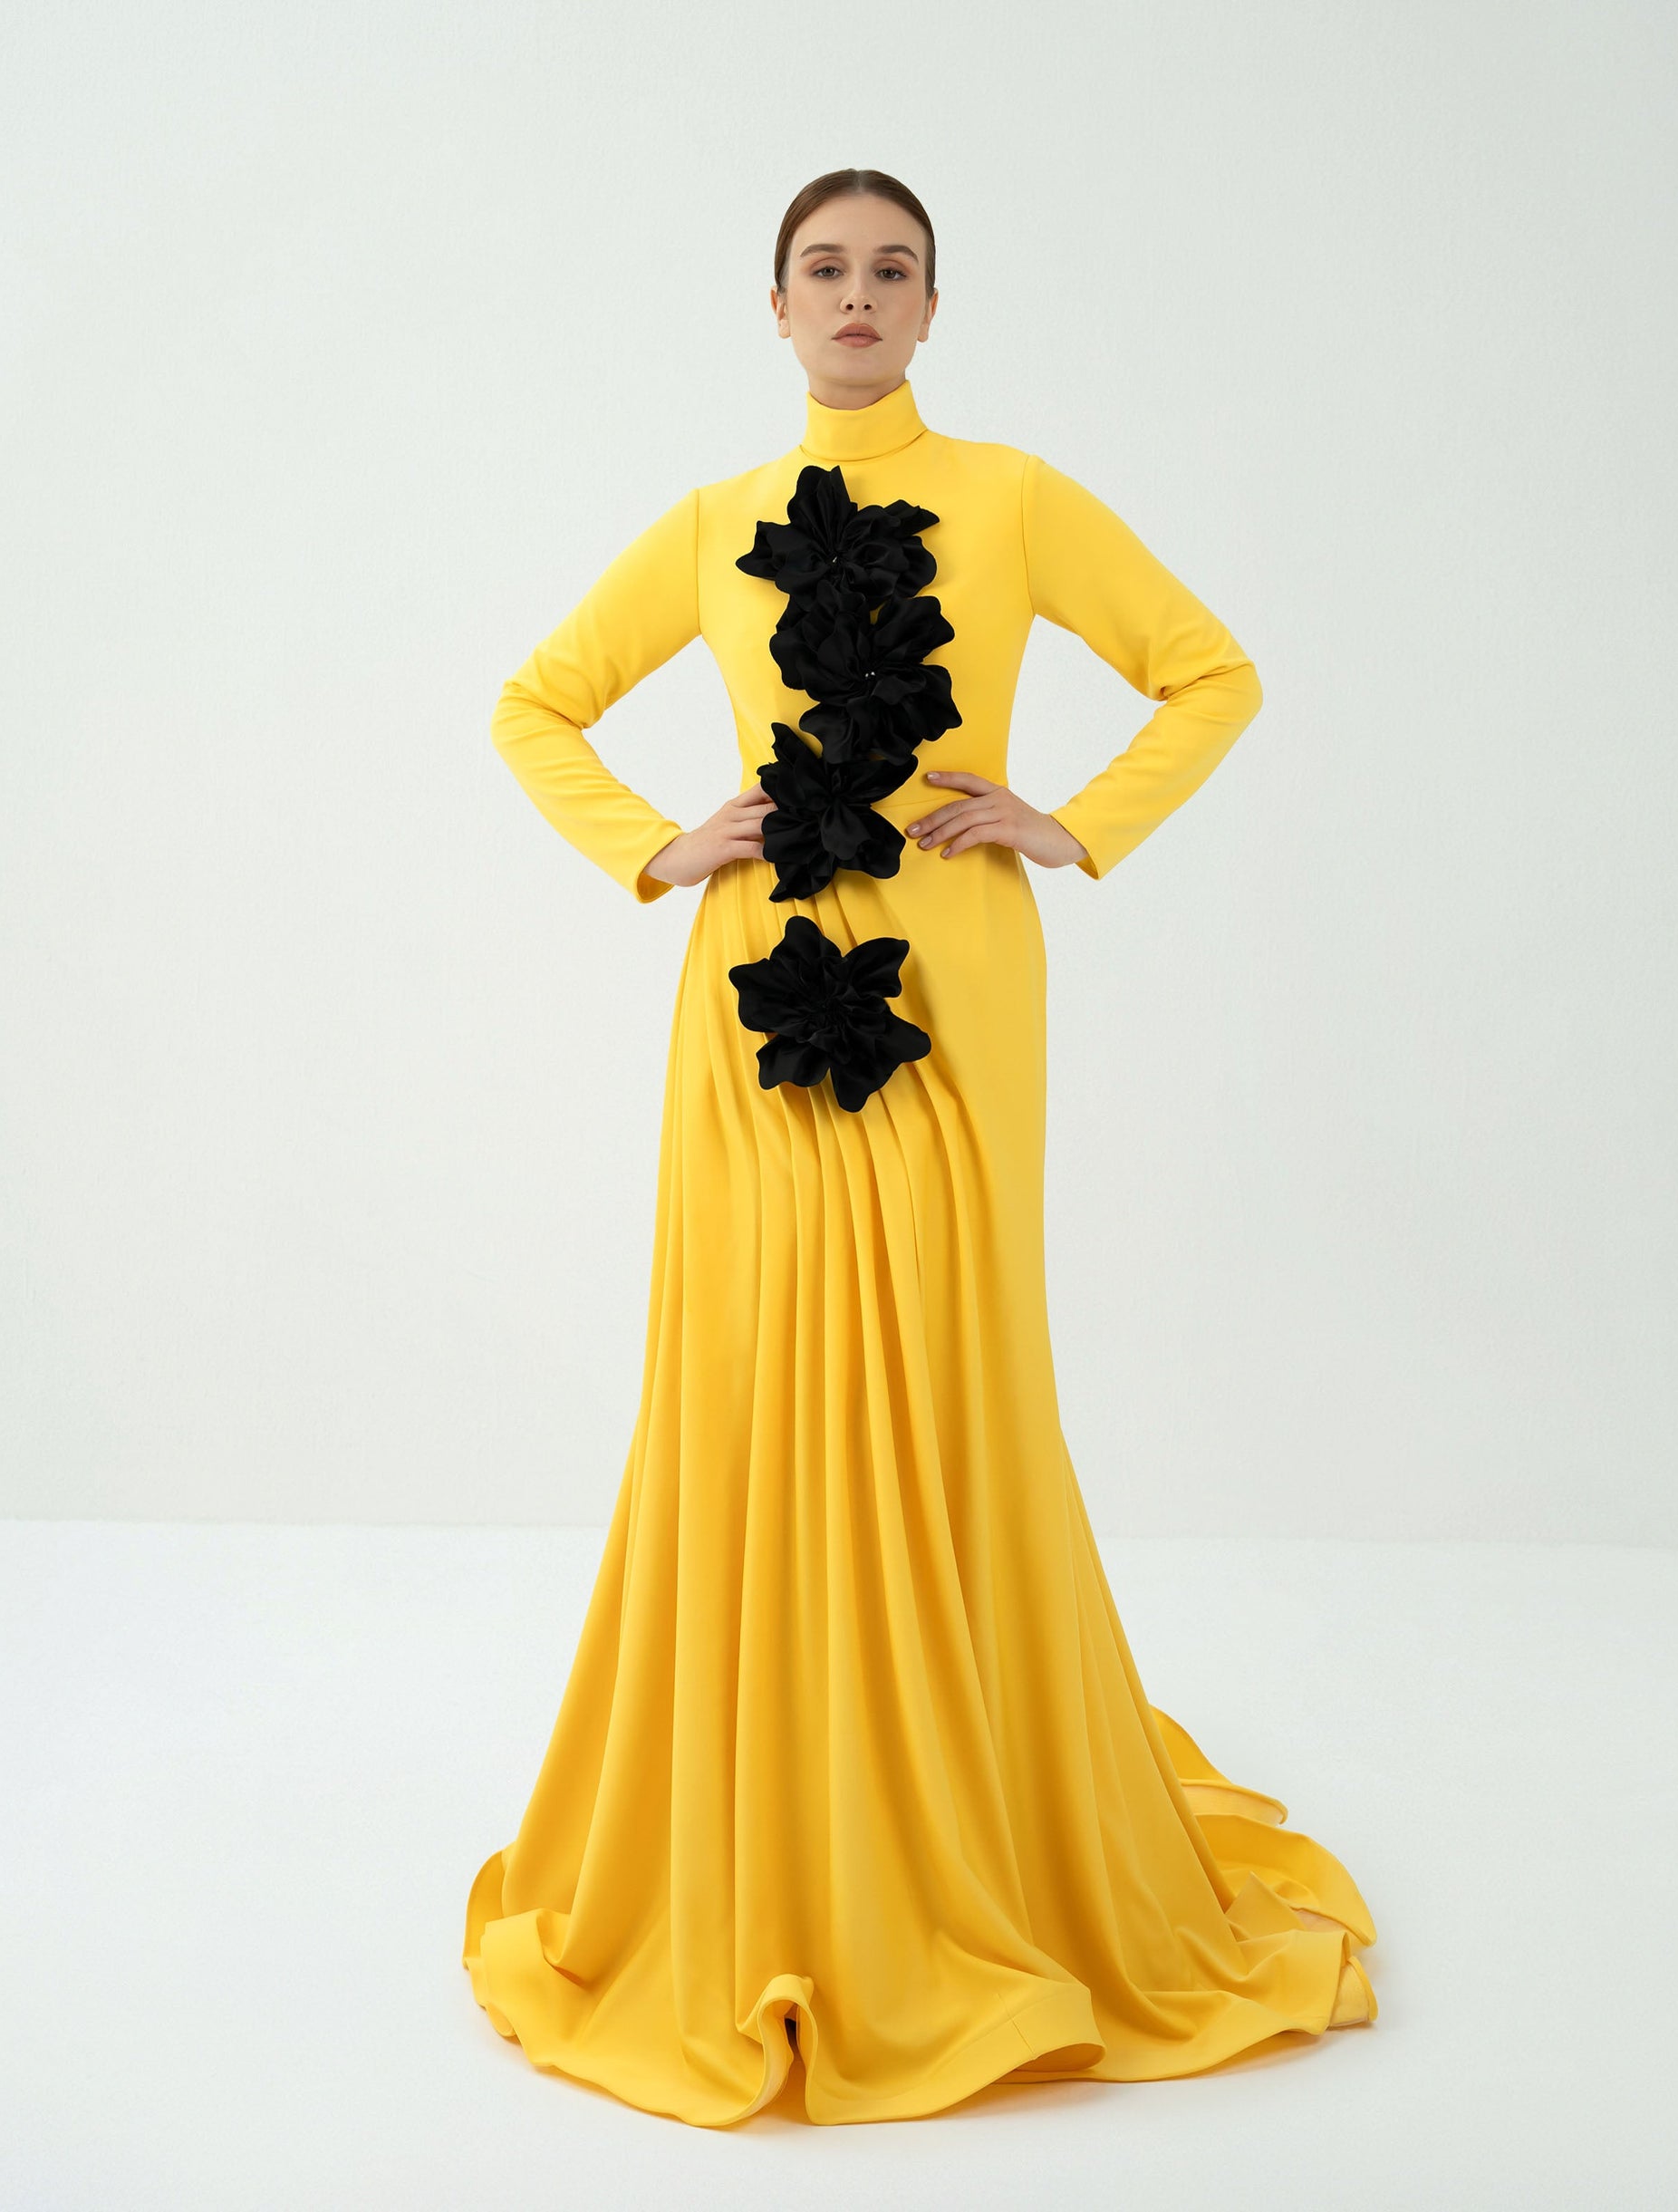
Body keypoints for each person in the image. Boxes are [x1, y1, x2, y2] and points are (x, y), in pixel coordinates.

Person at [464, 167, 1378, 2129]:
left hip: (960, 982)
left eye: (893, 269)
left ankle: (964, 1816)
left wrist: (1073, 819)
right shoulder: (704, 525)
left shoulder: (1019, 496)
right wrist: (655, 843)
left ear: (934, 309)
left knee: (954, 1372)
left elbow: (1211, 669)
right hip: (753, 991)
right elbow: (534, 704)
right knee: (753, 1375)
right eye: (825, 268)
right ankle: (773, 1812)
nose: (857, 295)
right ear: (775, 306)